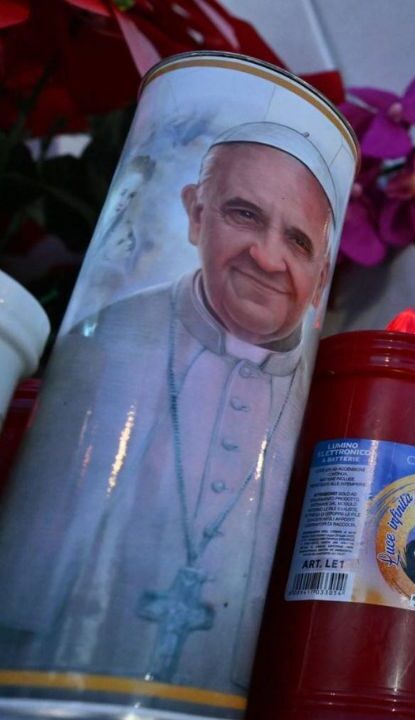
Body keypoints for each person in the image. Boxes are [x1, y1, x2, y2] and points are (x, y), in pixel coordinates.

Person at [0, 121, 339, 696]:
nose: (267, 256)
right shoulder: (107, 336)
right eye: (245, 214)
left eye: (299, 242)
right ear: (195, 213)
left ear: (322, 275)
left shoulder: (326, 404)